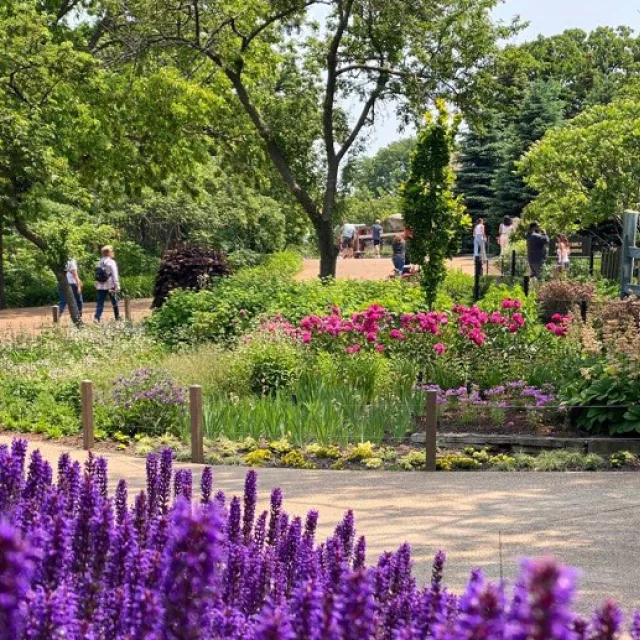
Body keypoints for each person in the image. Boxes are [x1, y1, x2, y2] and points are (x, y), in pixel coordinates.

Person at [94, 245, 121, 323]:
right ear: (109, 252)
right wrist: (117, 285)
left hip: (100, 285)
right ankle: (117, 317)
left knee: (100, 303)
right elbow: (114, 274)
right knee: (114, 302)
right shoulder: (111, 262)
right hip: (110, 286)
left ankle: (96, 317)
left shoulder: (100, 262)